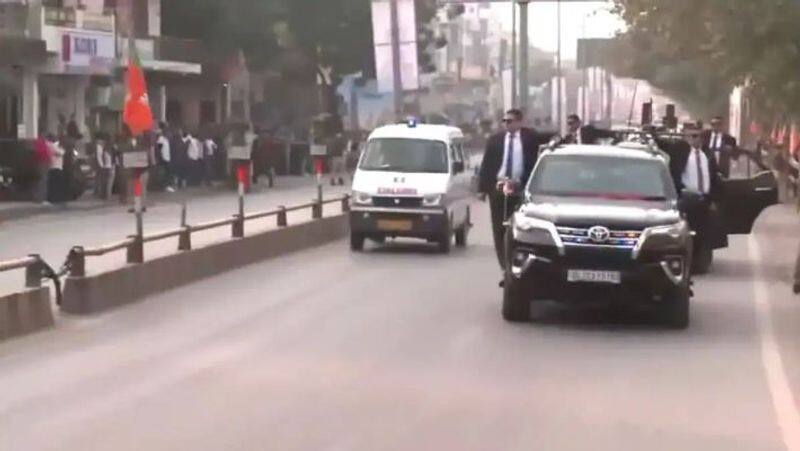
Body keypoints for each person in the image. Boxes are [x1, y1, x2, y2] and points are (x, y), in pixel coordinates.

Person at [479, 109, 546, 269]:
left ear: (519, 122)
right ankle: (504, 265)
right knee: (498, 227)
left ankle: (517, 259)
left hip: (520, 188)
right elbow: (487, 164)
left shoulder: (530, 138)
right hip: (499, 187)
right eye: (504, 121)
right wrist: (482, 188)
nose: (506, 124)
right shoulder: (495, 140)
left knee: (518, 225)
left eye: (510, 121)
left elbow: (550, 138)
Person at [45, 134, 67, 204]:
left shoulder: (52, 145)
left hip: (56, 166)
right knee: (54, 184)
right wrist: (61, 147)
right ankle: (54, 199)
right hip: (55, 167)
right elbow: (61, 152)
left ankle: (56, 198)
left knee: (55, 184)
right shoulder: (52, 146)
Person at [94, 133, 115, 200]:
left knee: (104, 181)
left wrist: (101, 165)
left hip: (105, 166)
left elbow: (99, 155)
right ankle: (107, 196)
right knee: (109, 181)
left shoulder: (103, 146)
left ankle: (103, 195)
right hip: (109, 165)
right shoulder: (111, 147)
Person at [33, 136, 52, 205]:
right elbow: (42, 152)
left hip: (43, 161)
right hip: (43, 161)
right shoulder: (40, 142)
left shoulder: (41, 142)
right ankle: (41, 198)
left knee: (43, 180)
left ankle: (41, 198)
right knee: (43, 180)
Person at [156, 123, 174, 191]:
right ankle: (163, 186)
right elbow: (159, 149)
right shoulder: (161, 139)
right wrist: (160, 158)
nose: (170, 134)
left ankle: (167, 186)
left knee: (168, 173)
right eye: (168, 132)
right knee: (164, 174)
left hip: (167, 158)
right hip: (163, 159)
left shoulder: (167, 140)